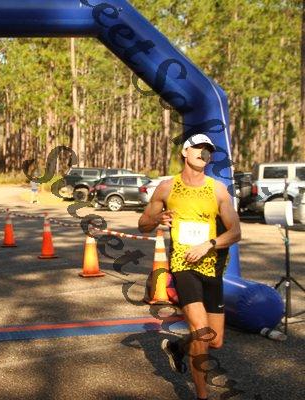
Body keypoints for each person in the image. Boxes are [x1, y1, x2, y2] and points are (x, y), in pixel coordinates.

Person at [138, 134, 241, 400]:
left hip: (211, 266)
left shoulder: (217, 189)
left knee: (214, 340)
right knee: (201, 331)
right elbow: (143, 224)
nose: (203, 153)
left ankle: (177, 348)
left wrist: (209, 244)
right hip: (183, 264)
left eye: (208, 150)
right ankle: (202, 395)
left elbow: (235, 232)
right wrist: (158, 218)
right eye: (198, 148)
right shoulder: (166, 187)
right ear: (185, 152)